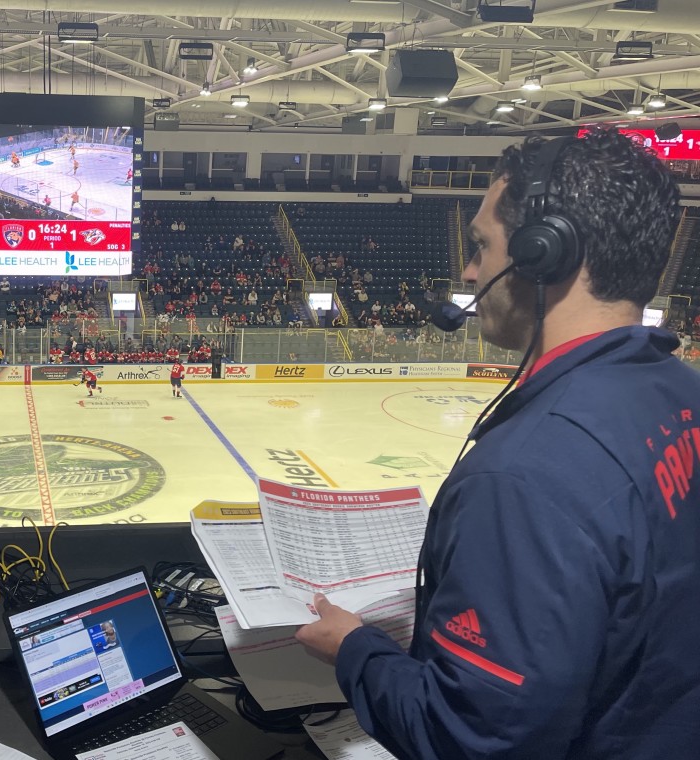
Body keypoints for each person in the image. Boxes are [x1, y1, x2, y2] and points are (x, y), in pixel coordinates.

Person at [295, 129, 700, 759]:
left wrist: (355, 650)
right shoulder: (682, 393)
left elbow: (470, 737)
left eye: (483, 247)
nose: (469, 270)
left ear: (546, 254)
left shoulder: (527, 476)